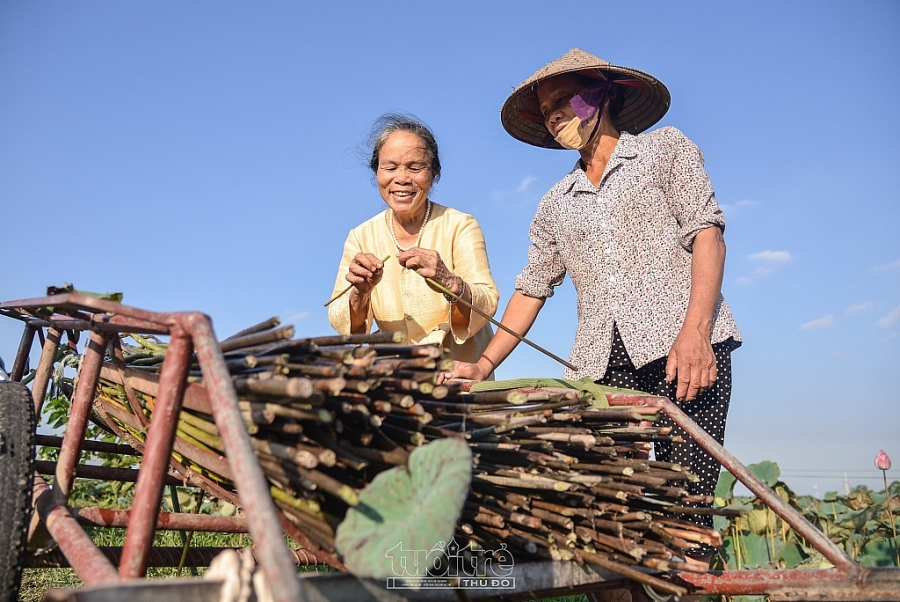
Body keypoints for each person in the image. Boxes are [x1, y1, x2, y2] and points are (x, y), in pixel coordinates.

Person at [451, 49, 741, 566]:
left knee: (687, 514)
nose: (555, 114)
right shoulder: (555, 201)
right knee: (613, 517)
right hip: (602, 369)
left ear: (603, 93)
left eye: (564, 100)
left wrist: (696, 333)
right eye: (547, 109)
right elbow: (532, 288)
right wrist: (485, 364)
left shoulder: (664, 150)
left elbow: (708, 235)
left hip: (683, 351)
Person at [328, 114, 499, 364]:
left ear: (434, 173)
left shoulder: (460, 225)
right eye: (390, 167)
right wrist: (360, 293)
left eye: (415, 167)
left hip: (460, 379)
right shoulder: (361, 236)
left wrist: (449, 281)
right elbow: (343, 322)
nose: (402, 179)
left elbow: (487, 303)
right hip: (398, 383)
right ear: (377, 172)